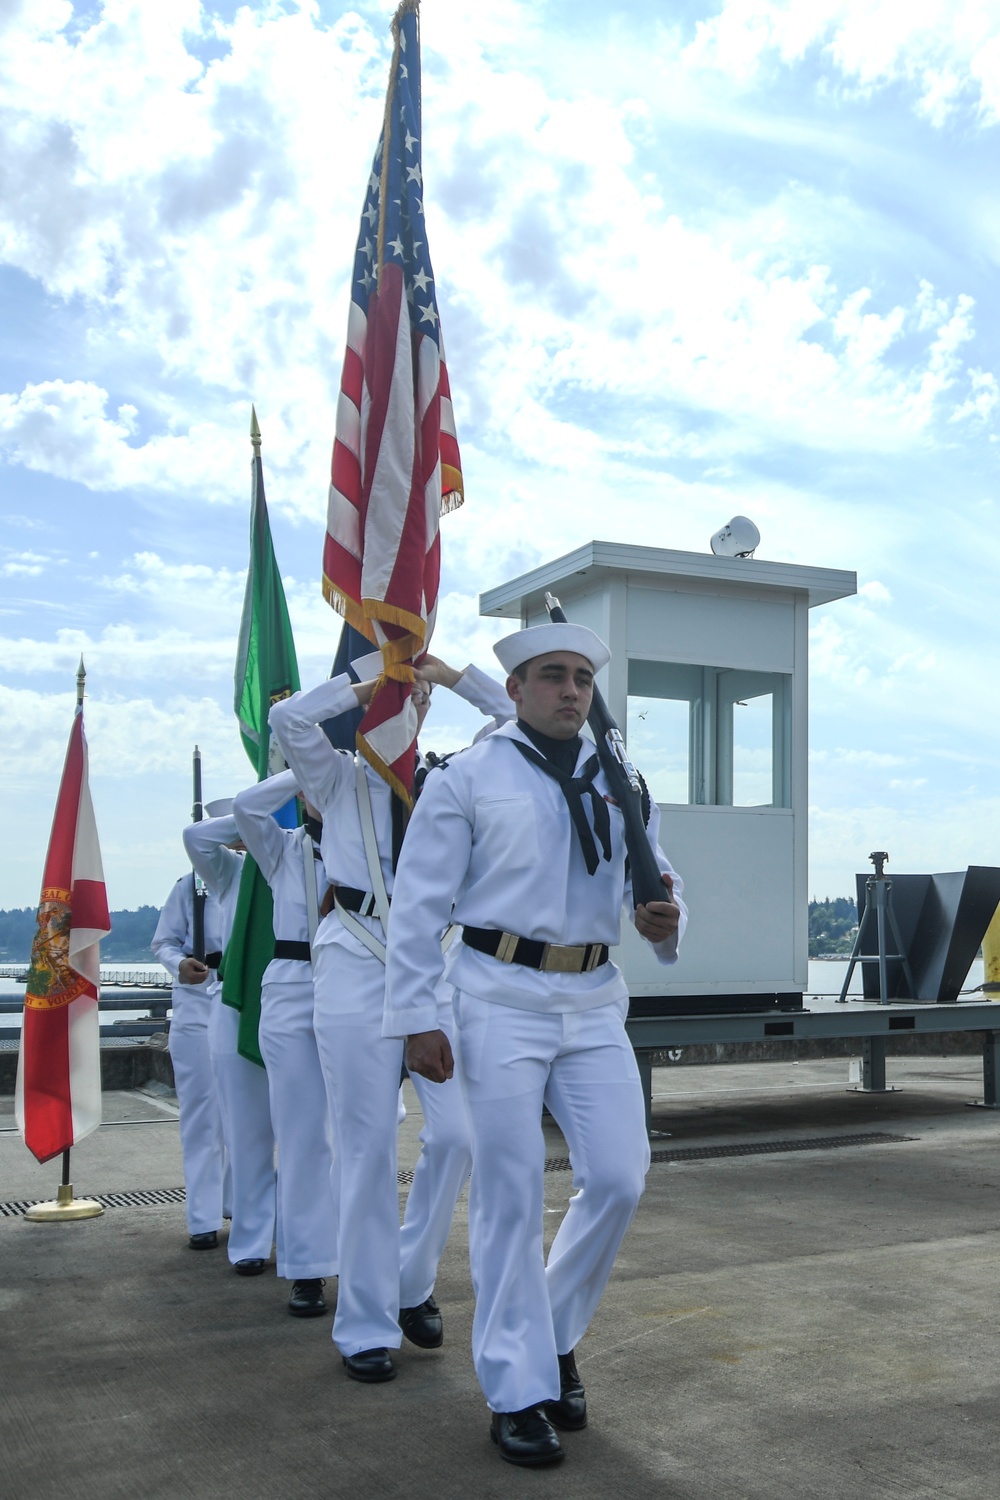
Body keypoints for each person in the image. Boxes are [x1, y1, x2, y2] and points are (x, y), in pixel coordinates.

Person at [383, 622, 687, 1467]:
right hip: (497, 995)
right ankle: (517, 1389)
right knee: (511, 1193)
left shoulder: (619, 779)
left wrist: (664, 918)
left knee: (621, 1176)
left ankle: (550, 1333)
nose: (571, 692)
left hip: (593, 998)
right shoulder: (469, 779)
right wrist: (417, 1016)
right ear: (514, 690)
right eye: (552, 676)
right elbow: (416, 907)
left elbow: (657, 875)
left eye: (583, 679)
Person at [269, 652, 512, 1383]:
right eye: (396, 696)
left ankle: (408, 1278)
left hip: (431, 960)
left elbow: (514, 721)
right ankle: (367, 1324)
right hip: (351, 957)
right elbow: (288, 717)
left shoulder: (452, 780)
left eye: (415, 695)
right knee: (368, 1147)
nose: (408, 705)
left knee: (460, 1135)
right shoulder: (339, 778)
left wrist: (453, 675)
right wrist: (366, 682)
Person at [232, 770, 339, 1317]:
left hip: (356, 986)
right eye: (311, 783)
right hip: (293, 987)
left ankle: (359, 1253)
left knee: (364, 1134)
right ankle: (307, 1267)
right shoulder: (281, 848)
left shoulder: (368, 843)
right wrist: (304, 765)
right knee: (301, 1137)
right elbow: (250, 806)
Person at [183, 806, 277, 1276]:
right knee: (246, 1133)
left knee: (311, 1137)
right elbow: (196, 836)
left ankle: (309, 1236)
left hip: (300, 1002)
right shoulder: (232, 869)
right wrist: (259, 809)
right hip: (236, 1004)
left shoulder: (303, 855)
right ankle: (252, 1239)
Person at [152, 873, 229, 1250]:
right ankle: (203, 1216)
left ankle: (238, 1203)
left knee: (246, 1116)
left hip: (243, 995)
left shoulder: (264, 871)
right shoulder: (188, 886)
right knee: (200, 1113)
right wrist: (179, 963)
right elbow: (163, 941)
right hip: (195, 996)